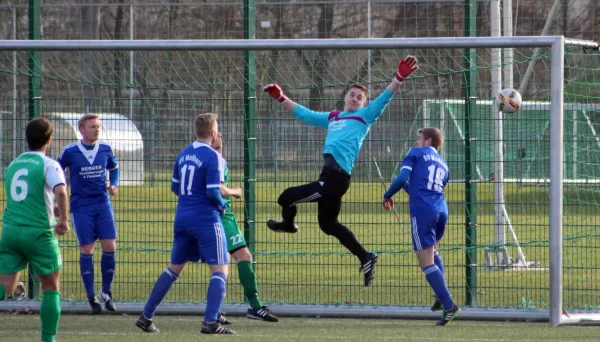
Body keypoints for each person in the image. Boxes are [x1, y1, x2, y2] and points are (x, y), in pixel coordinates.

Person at [263, 55, 418, 286]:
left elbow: (384, 99)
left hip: (335, 179)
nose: (355, 99)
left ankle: (288, 225)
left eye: (360, 97)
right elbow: (305, 114)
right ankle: (366, 256)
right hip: (329, 178)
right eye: (352, 95)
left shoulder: (365, 116)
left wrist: (399, 78)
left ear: (364, 103)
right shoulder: (333, 117)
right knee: (328, 225)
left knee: (286, 197)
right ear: (345, 97)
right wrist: (281, 97)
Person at [135, 113, 233, 335]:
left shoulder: (183, 154)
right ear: (214, 133)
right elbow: (212, 192)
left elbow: (175, 188)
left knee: (174, 268)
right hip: (205, 218)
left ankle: (146, 315)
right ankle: (210, 322)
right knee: (220, 269)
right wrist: (223, 203)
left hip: (182, 217)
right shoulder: (213, 157)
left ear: (195, 131)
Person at [0, 118, 70, 342]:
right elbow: (60, 191)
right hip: (38, 233)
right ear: (49, 140)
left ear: (27, 139)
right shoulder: (49, 164)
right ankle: (48, 340)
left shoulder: (14, 164)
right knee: (51, 287)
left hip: (10, 231)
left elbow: (24, 195)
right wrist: (63, 220)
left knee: (5, 287)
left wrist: (52, 209)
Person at [382, 127, 460, 326]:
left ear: (427, 141)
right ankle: (440, 296)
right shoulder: (443, 164)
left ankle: (449, 304)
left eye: (418, 139)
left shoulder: (415, 153)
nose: (416, 142)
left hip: (423, 211)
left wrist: (388, 194)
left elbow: (402, 178)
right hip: (441, 210)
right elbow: (423, 187)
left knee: (425, 260)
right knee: (432, 252)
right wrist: (403, 188)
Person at [211, 132, 278, 323]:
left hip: (214, 216)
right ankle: (253, 307)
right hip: (220, 216)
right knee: (238, 258)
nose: (221, 134)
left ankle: (217, 312)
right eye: (216, 131)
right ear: (210, 134)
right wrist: (235, 192)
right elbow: (219, 189)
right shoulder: (215, 159)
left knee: (222, 263)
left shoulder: (198, 155)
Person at [57, 114, 119, 314]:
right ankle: (91, 297)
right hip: (81, 205)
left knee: (110, 245)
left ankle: (106, 293)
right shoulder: (70, 151)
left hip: (102, 202)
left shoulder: (105, 149)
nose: (97, 129)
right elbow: (57, 171)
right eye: (92, 126)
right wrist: (59, 193)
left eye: (98, 126)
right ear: (81, 129)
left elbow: (114, 168)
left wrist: (114, 184)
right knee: (87, 248)